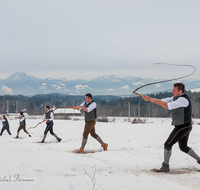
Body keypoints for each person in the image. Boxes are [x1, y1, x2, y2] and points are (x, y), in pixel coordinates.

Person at [142, 83, 200, 172]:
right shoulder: (176, 98)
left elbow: (167, 105)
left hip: (183, 126)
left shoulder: (183, 100)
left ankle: (165, 166)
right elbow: (161, 100)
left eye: (174, 90)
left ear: (180, 91)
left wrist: (153, 100)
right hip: (185, 126)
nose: (172, 92)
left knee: (168, 144)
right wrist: (149, 99)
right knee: (183, 147)